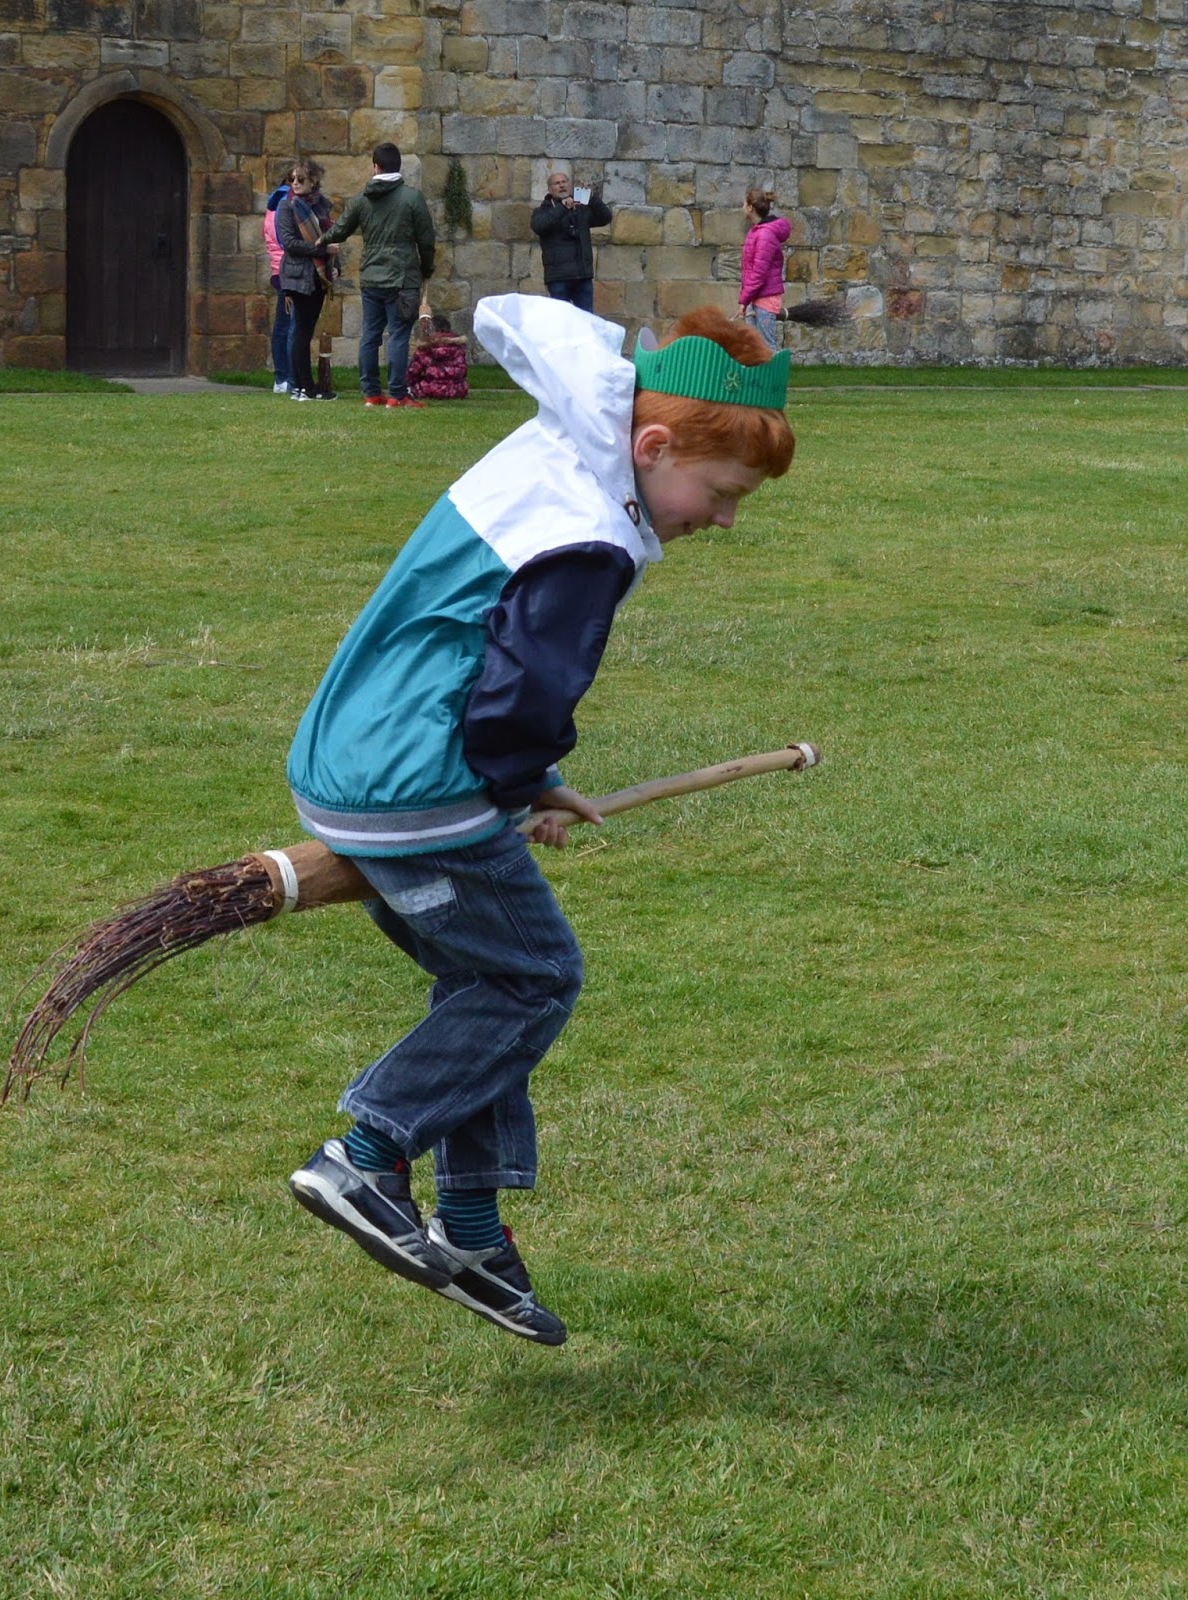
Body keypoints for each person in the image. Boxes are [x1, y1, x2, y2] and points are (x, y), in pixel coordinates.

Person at [285, 294, 796, 1345]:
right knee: (535, 978)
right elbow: (516, 701)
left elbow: (483, 657)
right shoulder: (589, 535)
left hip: (355, 757)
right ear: (653, 448)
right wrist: (516, 782)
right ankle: (366, 1155)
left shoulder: (557, 456)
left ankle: (472, 1226)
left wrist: (531, 782)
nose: (724, 520)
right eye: (722, 493)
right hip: (413, 783)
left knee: (485, 987)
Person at [319, 141, 436, 410]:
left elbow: (340, 230)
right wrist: (427, 268)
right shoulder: (412, 198)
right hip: (402, 279)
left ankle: (371, 393)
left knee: (370, 336)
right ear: (398, 167)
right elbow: (426, 240)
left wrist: (321, 239)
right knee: (398, 336)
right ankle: (397, 394)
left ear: (375, 167)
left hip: (371, 277)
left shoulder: (361, 199)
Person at [275, 161, 339, 401]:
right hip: (297, 275)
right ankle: (304, 387)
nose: (295, 183)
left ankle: (304, 387)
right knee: (301, 331)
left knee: (306, 330)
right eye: (291, 179)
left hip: (318, 275)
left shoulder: (322, 206)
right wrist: (322, 250)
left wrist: (336, 268)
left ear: (313, 181)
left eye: (300, 179)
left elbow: (332, 239)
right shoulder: (287, 206)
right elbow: (290, 243)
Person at [530, 169, 613, 315]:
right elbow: (539, 226)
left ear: (570, 185)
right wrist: (563, 208)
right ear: (550, 189)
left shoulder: (581, 208)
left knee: (586, 319)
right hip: (558, 278)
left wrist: (592, 198)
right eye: (557, 183)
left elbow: (605, 218)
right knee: (561, 320)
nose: (562, 185)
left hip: (582, 276)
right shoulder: (542, 211)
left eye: (564, 182)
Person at [738, 188, 792, 353]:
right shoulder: (756, 232)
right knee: (752, 346)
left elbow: (759, 274)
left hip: (765, 299)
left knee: (768, 347)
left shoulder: (764, 235)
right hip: (755, 297)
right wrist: (746, 300)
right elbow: (750, 271)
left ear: (750, 208)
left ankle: (774, 371)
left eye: (744, 204)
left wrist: (743, 301)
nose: (742, 207)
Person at [262, 163, 296, 393]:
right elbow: (287, 241)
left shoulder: (274, 204)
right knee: (288, 326)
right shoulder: (286, 204)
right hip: (288, 269)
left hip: (279, 268)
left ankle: (284, 376)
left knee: (285, 324)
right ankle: (285, 376)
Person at [406, 311, 468, 400]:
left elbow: (413, 372)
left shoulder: (426, 348)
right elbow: (463, 371)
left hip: (431, 389)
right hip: (457, 390)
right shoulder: (458, 348)